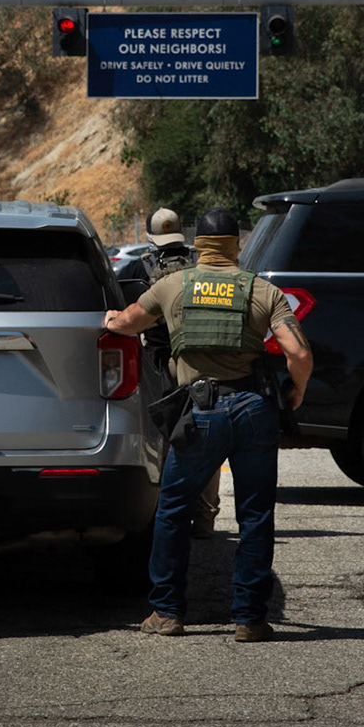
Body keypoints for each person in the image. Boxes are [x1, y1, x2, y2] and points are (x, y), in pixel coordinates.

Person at [105, 207, 313, 643]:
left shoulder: (172, 286)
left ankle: (167, 612)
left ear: (197, 245)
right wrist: (296, 392)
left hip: (200, 411)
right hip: (255, 409)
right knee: (255, 515)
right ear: (236, 245)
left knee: (174, 510)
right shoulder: (262, 291)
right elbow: (298, 354)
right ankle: (250, 619)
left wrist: (109, 321)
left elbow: (127, 323)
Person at [131, 208, 222, 540]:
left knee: (167, 438)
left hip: (160, 366)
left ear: (151, 238)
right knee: (206, 440)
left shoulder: (138, 268)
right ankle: (206, 519)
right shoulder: (202, 268)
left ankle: (167, 518)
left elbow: (131, 317)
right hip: (202, 363)